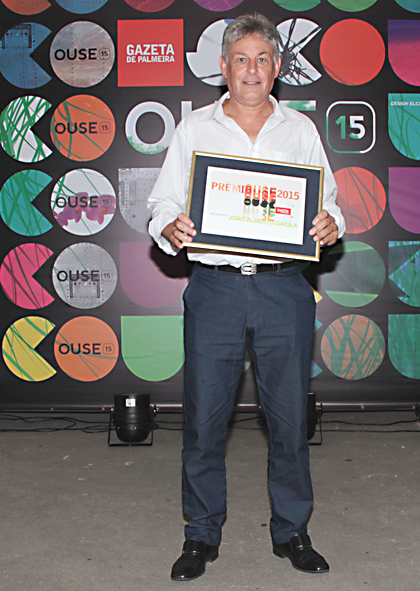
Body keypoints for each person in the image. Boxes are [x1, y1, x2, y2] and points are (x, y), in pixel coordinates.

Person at [147, 13, 345, 582]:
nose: (252, 69)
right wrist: (170, 228)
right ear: (223, 67)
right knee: (205, 422)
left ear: (278, 67)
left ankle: (292, 531)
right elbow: (162, 204)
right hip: (216, 290)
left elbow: (329, 202)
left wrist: (331, 223)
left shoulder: (299, 131)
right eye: (241, 59)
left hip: (285, 288)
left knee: (289, 422)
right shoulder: (195, 130)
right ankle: (200, 533)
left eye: (262, 59)